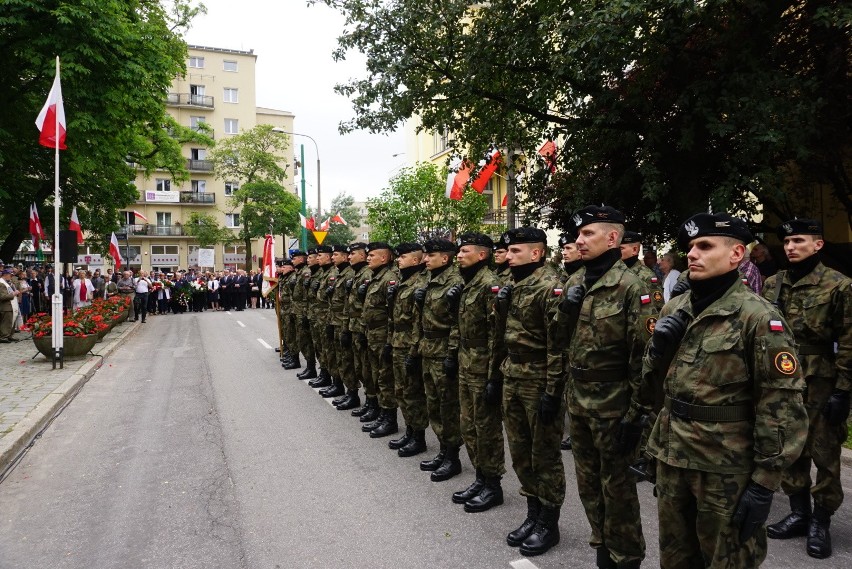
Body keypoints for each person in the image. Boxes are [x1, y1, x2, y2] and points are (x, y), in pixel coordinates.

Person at [628, 212, 808, 568]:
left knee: (727, 560)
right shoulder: (676, 308)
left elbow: (781, 405)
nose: (692, 254)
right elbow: (655, 388)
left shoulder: (756, 317)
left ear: (736, 254)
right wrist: (658, 350)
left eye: (705, 246)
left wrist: (763, 483)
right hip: (674, 456)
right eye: (691, 247)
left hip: (726, 468)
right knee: (675, 558)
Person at [561, 206, 654, 568]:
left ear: (612, 238)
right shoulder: (575, 283)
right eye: (578, 236)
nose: (579, 242)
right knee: (588, 486)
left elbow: (645, 358)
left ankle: (627, 558)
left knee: (617, 490)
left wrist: (637, 415)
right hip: (580, 401)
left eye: (587, 235)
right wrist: (565, 311)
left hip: (615, 405)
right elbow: (558, 340)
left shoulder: (634, 285)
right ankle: (603, 551)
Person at [762, 218, 851, 559]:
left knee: (825, 452)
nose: (790, 247)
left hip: (821, 380)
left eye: (798, 240)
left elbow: (849, 341)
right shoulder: (772, 284)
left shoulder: (838, 285)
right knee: (788, 448)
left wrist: (843, 391)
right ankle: (799, 513)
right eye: (786, 241)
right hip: (780, 380)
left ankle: (821, 521)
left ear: (818, 244)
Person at [493, 227, 563, 556]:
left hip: (538, 377)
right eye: (507, 252)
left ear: (535, 254)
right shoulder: (513, 284)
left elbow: (558, 345)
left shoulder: (550, 286)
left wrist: (553, 390)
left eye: (515, 252)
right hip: (513, 373)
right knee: (520, 450)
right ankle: (532, 514)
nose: (508, 257)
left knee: (544, 454)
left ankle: (549, 522)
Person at [451, 232, 505, 512]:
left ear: (482, 255)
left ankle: (493, 484)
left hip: (482, 365)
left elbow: (497, 335)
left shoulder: (489, 284)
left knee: (486, 428)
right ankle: (480, 477)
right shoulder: (468, 283)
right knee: (468, 425)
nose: (459, 255)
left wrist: (494, 376)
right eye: (458, 251)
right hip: (466, 360)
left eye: (465, 251)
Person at [413, 239, 465, 481]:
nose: (425, 259)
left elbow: (457, 322)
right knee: (434, 404)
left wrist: (452, 354)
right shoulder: (429, 279)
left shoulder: (456, 282)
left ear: (445, 258)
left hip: (444, 348)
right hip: (428, 348)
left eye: (430, 255)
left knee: (448, 407)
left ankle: (452, 456)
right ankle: (444, 451)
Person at [386, 242, 430, 456]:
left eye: (402, 257)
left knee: (413, 393)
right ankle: (410, 431)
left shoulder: (421, 283)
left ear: (415, 260)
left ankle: (419, 437)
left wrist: (414, 351)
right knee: (402, 391)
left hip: (409, 344)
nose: (398, 260)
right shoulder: (404, 281)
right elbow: (393, 317)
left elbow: (418, 322)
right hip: (398, 341)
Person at [359, 242, 399, 436]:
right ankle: (382, 413)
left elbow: (392, 314)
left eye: (372, 255)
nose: (368, 258)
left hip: (383, 335)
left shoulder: (389, 279)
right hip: (372, 333)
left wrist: (389, 341)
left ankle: (389, 419)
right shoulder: (375, 277)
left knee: (385, 378)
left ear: (384, 258)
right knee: (375, 375)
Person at [558, 231, 583, 452]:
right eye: (563, 249)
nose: (564, 252)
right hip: (569, 349)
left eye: (568, 248)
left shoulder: (582, 278)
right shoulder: (570, 278)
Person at [339, 244, 371, 412]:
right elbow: (348, 304)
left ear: (362, 256)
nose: (349, 257)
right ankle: (363, 400)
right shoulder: (358, 274)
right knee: (358, 366)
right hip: (353, 326)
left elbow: (368, 308)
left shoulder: (367, 274)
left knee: (365, 368)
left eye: (352, 254)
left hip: (362, 328)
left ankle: (372, 404)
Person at [0, 269, 22, 343]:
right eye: (10, 275)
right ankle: (4, 336)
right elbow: (2, 297)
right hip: (6, 306)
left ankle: (9, 335)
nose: (11, 277)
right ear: (5, 275)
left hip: (11, 305)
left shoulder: (8, 283)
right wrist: (13, 294)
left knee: (12, 321)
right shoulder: (1, 283)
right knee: (6, 322)